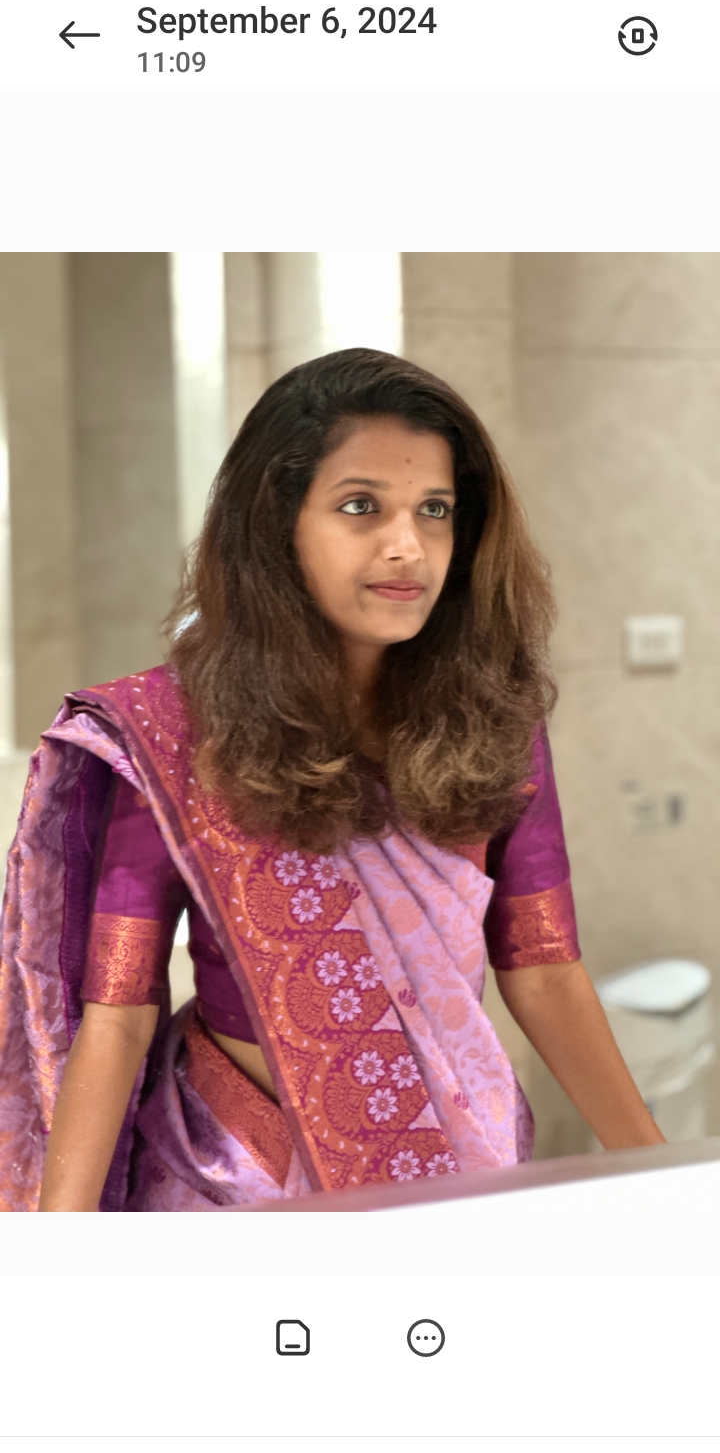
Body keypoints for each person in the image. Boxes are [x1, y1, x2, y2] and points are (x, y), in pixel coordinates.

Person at [0, 348, 663, 1212]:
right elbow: (121, 1012)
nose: (407, 546)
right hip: (236, 1183)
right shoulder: (177, 735)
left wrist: (666, 1184)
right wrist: (58, 1249)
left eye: (434, 510)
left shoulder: (494, 723)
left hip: (455, 1167)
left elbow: (543, 971)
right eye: (361, 506)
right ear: (278, 526)